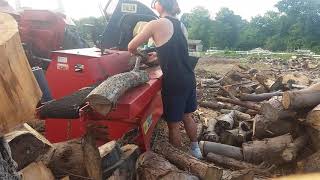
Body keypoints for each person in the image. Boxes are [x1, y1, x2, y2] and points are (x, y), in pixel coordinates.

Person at [128, 0, 202, 159]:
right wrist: (159, 56)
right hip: (189, 76)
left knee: (173, 125)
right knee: (187, 116)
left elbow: (131, 47)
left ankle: (179, 161)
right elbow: (174, 50)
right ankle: (196, 151)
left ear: (160, 5)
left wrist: (144, 57)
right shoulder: (181, 25)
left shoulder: (155, 24)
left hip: (174, 81)